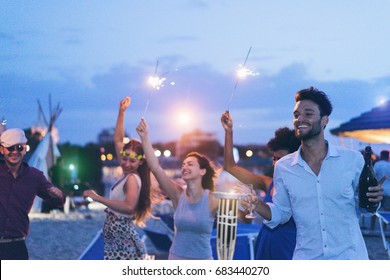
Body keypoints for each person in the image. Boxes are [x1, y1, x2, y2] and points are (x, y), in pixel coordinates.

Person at [251, 87, 384, 260]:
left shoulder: (352, 160)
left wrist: (373, 199)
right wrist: (257, 204)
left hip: (350, 259)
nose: (300, 119)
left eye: (308, 114)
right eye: (296, 115)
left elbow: (365, 208)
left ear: (324, 120)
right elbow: (282, 213)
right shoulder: (284, 167)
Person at [136, 117, 219, 260]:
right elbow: (155, 168)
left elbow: (237, 218)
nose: (185, 167)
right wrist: (145, 137)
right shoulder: (178, 195)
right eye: (183, 164)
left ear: (202, 171)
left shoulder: (212, 198)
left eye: (190, 164)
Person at [221, 111, 300, 259]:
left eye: (281, 159)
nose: (276, 163)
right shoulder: (268, 182)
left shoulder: (303, 186)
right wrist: (228, 132)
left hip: (289, 248)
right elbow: (230, 167)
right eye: (274, 158)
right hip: (265, 243)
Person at [83, 97, 154, 260]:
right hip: (117, 236)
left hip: (122, 238)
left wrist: (97, 197)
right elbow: (118, 140)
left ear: (141, 161)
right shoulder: (127, 175)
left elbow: (129, 207)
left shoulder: (132, 179)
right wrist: (122, 112)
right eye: (125, 158)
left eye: (132, 160)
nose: (126, 163)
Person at [0, 128, 65, 260]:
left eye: (19, 147)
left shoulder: (34, 176)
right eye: (10, 148)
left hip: (17, 246)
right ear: (2, 150)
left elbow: (58, 201)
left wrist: (58, 195)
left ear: (25, 149)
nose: (15, 152)